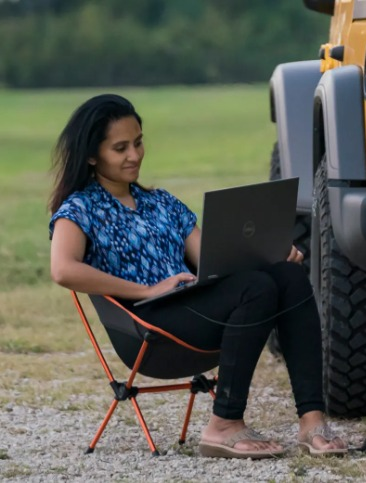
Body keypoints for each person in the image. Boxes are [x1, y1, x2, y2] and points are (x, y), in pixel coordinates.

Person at [48, 94, 347, 459]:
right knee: (255, 288)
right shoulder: (79, 208)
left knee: (286, 275)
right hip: (146, 325)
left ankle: (311, 422)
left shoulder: (162, 202)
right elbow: (63, 269)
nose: (135, 155)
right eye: (120, 148)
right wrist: (148, 288)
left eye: (138, 142)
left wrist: (271, 254)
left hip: (192, 307)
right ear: (92, 155)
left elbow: (215, 261)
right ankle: (223, 424)